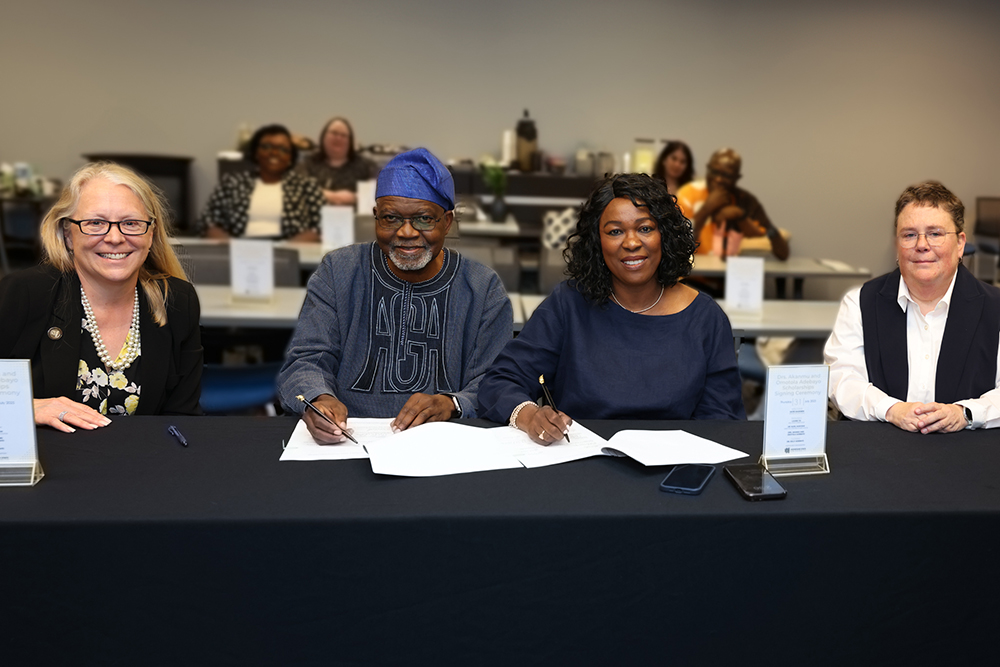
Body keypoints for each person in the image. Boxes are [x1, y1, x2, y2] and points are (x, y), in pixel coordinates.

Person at [477, 173, 745, 444]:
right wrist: (530, 414)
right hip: (580, 464)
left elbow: (722, 419)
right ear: (597, 242)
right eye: (615, 231)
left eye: (645, 228)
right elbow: (501, 380)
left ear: (665, 235)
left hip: (673, 470)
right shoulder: (568, 304)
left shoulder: (706, 318)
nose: (631, 242)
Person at [277, 148, 513, 443]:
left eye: (424, 219)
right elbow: (306, 358)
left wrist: (451, 403)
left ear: (447, 221)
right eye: (390, 218)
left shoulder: (482, 289)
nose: (406, 232)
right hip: (346, 439)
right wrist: (319, 398)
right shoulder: (339, 271)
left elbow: (497, 382)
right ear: (376, 216)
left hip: (441, 445)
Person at [0, 162, 203, 431]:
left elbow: (183, 417)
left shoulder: (176, 300)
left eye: (131, 223)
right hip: (51, 467)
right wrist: (26, 407)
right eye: (95, 223)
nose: (115, 237)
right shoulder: (23, 294)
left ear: (151, 233)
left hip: (142, 465)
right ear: (68, 234)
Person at [825, 181, 1000, 433]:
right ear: (898, 244)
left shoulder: (995, 309)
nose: (921, 245)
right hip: (880, 452)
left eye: (935, 233)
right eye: (909, 234)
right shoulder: (860, 303)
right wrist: (890, 409)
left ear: (960, 244)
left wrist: (965, 413)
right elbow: (841, 378)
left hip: (970, 458)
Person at [199, 124, 323, 241]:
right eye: (267, 147)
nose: (274, 153)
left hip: (289, 257)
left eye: (283, 149)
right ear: (255, 152)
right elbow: (208, 220)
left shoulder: (307, 186)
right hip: (237, 253)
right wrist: (229, 250)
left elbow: (321, 225)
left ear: (291, 157)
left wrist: (287, 252)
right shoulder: (231, 183)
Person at [676, 148, 789, 260]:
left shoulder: (744, 200)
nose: (718, 179)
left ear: (736, 178)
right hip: (692, 275)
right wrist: (706, 210)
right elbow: (678, 248)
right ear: (707, 169)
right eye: (714, 172)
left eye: (726, 175)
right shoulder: (688, 194)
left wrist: (740, 215)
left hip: (729, 276)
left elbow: (782, 254)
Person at [296, 116, 378, 206]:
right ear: (323, 136)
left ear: (350, 141)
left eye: (343, 135)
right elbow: (298, 187)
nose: (338, 138)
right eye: (334, 133)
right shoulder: (308, 163)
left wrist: (354, 198)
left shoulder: (366, 166)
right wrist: (332, 196)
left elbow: (381, 192)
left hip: (357, 218)